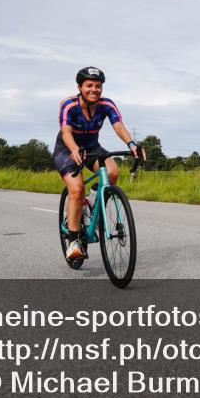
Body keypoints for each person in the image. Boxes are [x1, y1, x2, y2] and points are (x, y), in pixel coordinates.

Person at [54, 67, 141, 260]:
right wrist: (74, 149)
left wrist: (131, 144)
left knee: (112, 173)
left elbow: (118, 125)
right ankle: (74, 240)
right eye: (89, 85)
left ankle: (91, 203)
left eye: (98, 86)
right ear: (80, 87)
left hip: (92, 147)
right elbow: (66, 131)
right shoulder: (69, 104)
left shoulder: (106, 104)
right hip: (67, 149)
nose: (94, 89)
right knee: (76, 190)